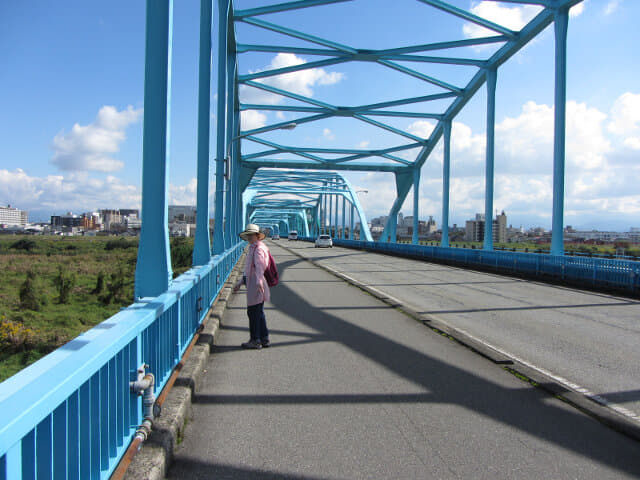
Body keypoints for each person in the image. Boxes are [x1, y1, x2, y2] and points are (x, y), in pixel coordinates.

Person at [234, 224, 271, 349]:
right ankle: (264, 338)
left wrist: (259, 281)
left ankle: (255, 340)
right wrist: (241, 282)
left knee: (253, 312)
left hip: (256, 284)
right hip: (254, 282)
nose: (249, 237)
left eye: (251, 234)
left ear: (257, 235)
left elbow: (260, 266)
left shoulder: (258, 248)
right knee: (258, 312)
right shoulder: (253, 247)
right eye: (248, 235)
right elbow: (249, 269)